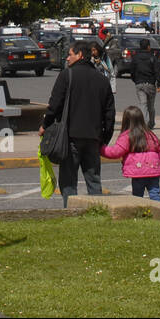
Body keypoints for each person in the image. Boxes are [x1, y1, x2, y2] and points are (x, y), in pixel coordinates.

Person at [40, 42, 115, 206]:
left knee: (68, 181)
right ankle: (97, 212)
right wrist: (105, 138)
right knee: (94, 181)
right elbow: (110, 114)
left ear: (80, 55)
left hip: (71, 136)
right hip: (94, 137)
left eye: (70, 54)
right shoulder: (102, 80)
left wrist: (45, 125)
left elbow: (54, 105)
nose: (67, 58)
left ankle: (70, 211)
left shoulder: (67, 75)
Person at [101, 105, 160, 201]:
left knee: (137, 195)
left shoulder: (127, 136)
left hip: (138, 171)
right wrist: (159, 165)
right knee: (155, 193)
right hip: (154, 168)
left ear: (125, 121)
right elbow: (159, 152)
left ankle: (138, 211)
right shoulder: (150, 134)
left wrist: (101, 148)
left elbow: (115, 152)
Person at [129, 38, 160, 129]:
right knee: (151, 106)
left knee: (142, 104)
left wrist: (135, 80)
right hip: (150, 84)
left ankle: (144, 123)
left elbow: (132, 70)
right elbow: (157, 71)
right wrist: (158, 82)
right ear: (148, 47)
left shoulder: (136, 58)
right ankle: (151, 123)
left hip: (139, 83)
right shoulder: (152, 57)